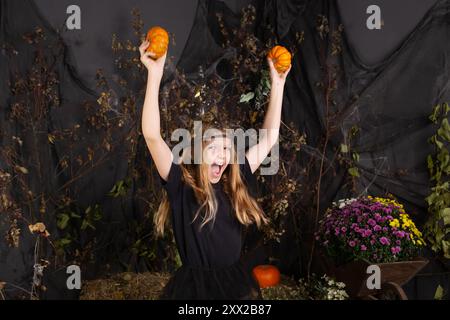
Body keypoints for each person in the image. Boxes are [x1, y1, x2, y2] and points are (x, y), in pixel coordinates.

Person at [139, 39, 290, 299]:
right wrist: (154, 75)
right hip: (193, 288)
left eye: (225, 148)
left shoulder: (235, 178)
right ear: (197, 155)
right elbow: (152, 135)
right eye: (213, 148)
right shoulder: (181, 185)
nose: (222, 154)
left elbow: (268, 139)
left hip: (234, 281)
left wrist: (278, 84)